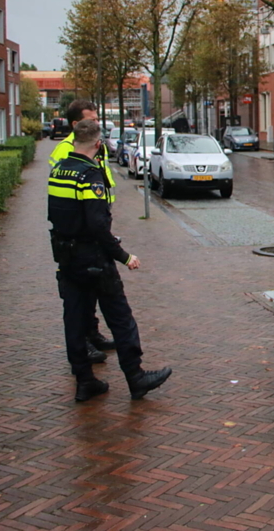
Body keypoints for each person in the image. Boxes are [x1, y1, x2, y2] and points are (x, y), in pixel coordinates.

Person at [48, 119, 172, 402]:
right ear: (97, 143)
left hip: (67, 258)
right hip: (94, 259)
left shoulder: (58, 171)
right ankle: (136, 377)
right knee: (120, 318)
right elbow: (97, 226)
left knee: (75, 320)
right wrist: (124, 256)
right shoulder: (88, 176)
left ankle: (84, 381)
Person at [49, 100, 117, 363]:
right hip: (80, 231)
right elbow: (65, 190)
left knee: (93, 283)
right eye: (92, 119)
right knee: (79, 290)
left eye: (98, 119)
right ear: (76, 124)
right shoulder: (66, 149)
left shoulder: (96, 143)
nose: (97, 123)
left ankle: (93, 334)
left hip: (96, 218)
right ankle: (83, 344)